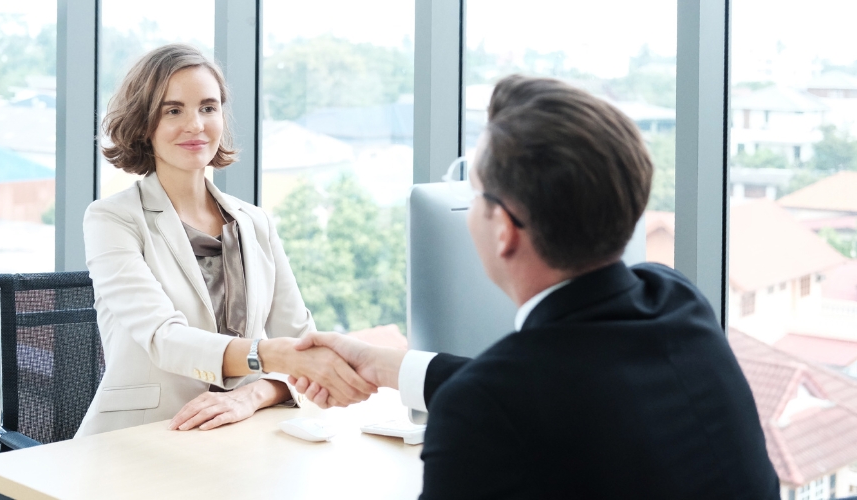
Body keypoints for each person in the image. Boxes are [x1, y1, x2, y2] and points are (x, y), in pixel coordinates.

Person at [290, 75, 780, 498]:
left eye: (475, 194)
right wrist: (385, 366)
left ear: (504, 228)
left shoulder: (487, 412)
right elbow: (563, 389)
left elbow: (519, 396)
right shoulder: (676, 300)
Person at [76, 44, 376, 438]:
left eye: (208, 107)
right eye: (173, 110)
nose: (196, 125)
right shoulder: (112, 219)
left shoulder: (254, 222)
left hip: (236, 438)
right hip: (142, 435)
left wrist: (251, 396)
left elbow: (302, 342)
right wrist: (269, 355)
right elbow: (164, 339)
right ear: (143, 124)